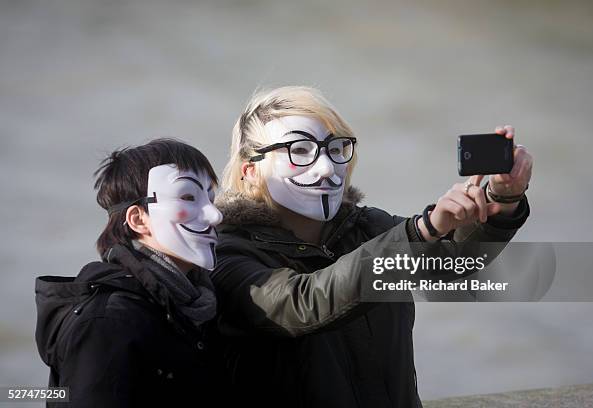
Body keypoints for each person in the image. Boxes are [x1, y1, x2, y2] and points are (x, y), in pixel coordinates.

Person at [211, 86, 533, 408]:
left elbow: (450, 264)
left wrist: (502, 200)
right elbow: (302, 302)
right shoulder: (227, 254)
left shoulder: (367, 228)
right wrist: (423, 229)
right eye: (300, 150)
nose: (326, 168)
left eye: (335, 148)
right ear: (250, 170)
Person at [35, 139, 224, 407]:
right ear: (138, 219)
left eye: (211, 198)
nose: (215, 215)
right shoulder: (106, 321)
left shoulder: (199, 306)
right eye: (188, 197)